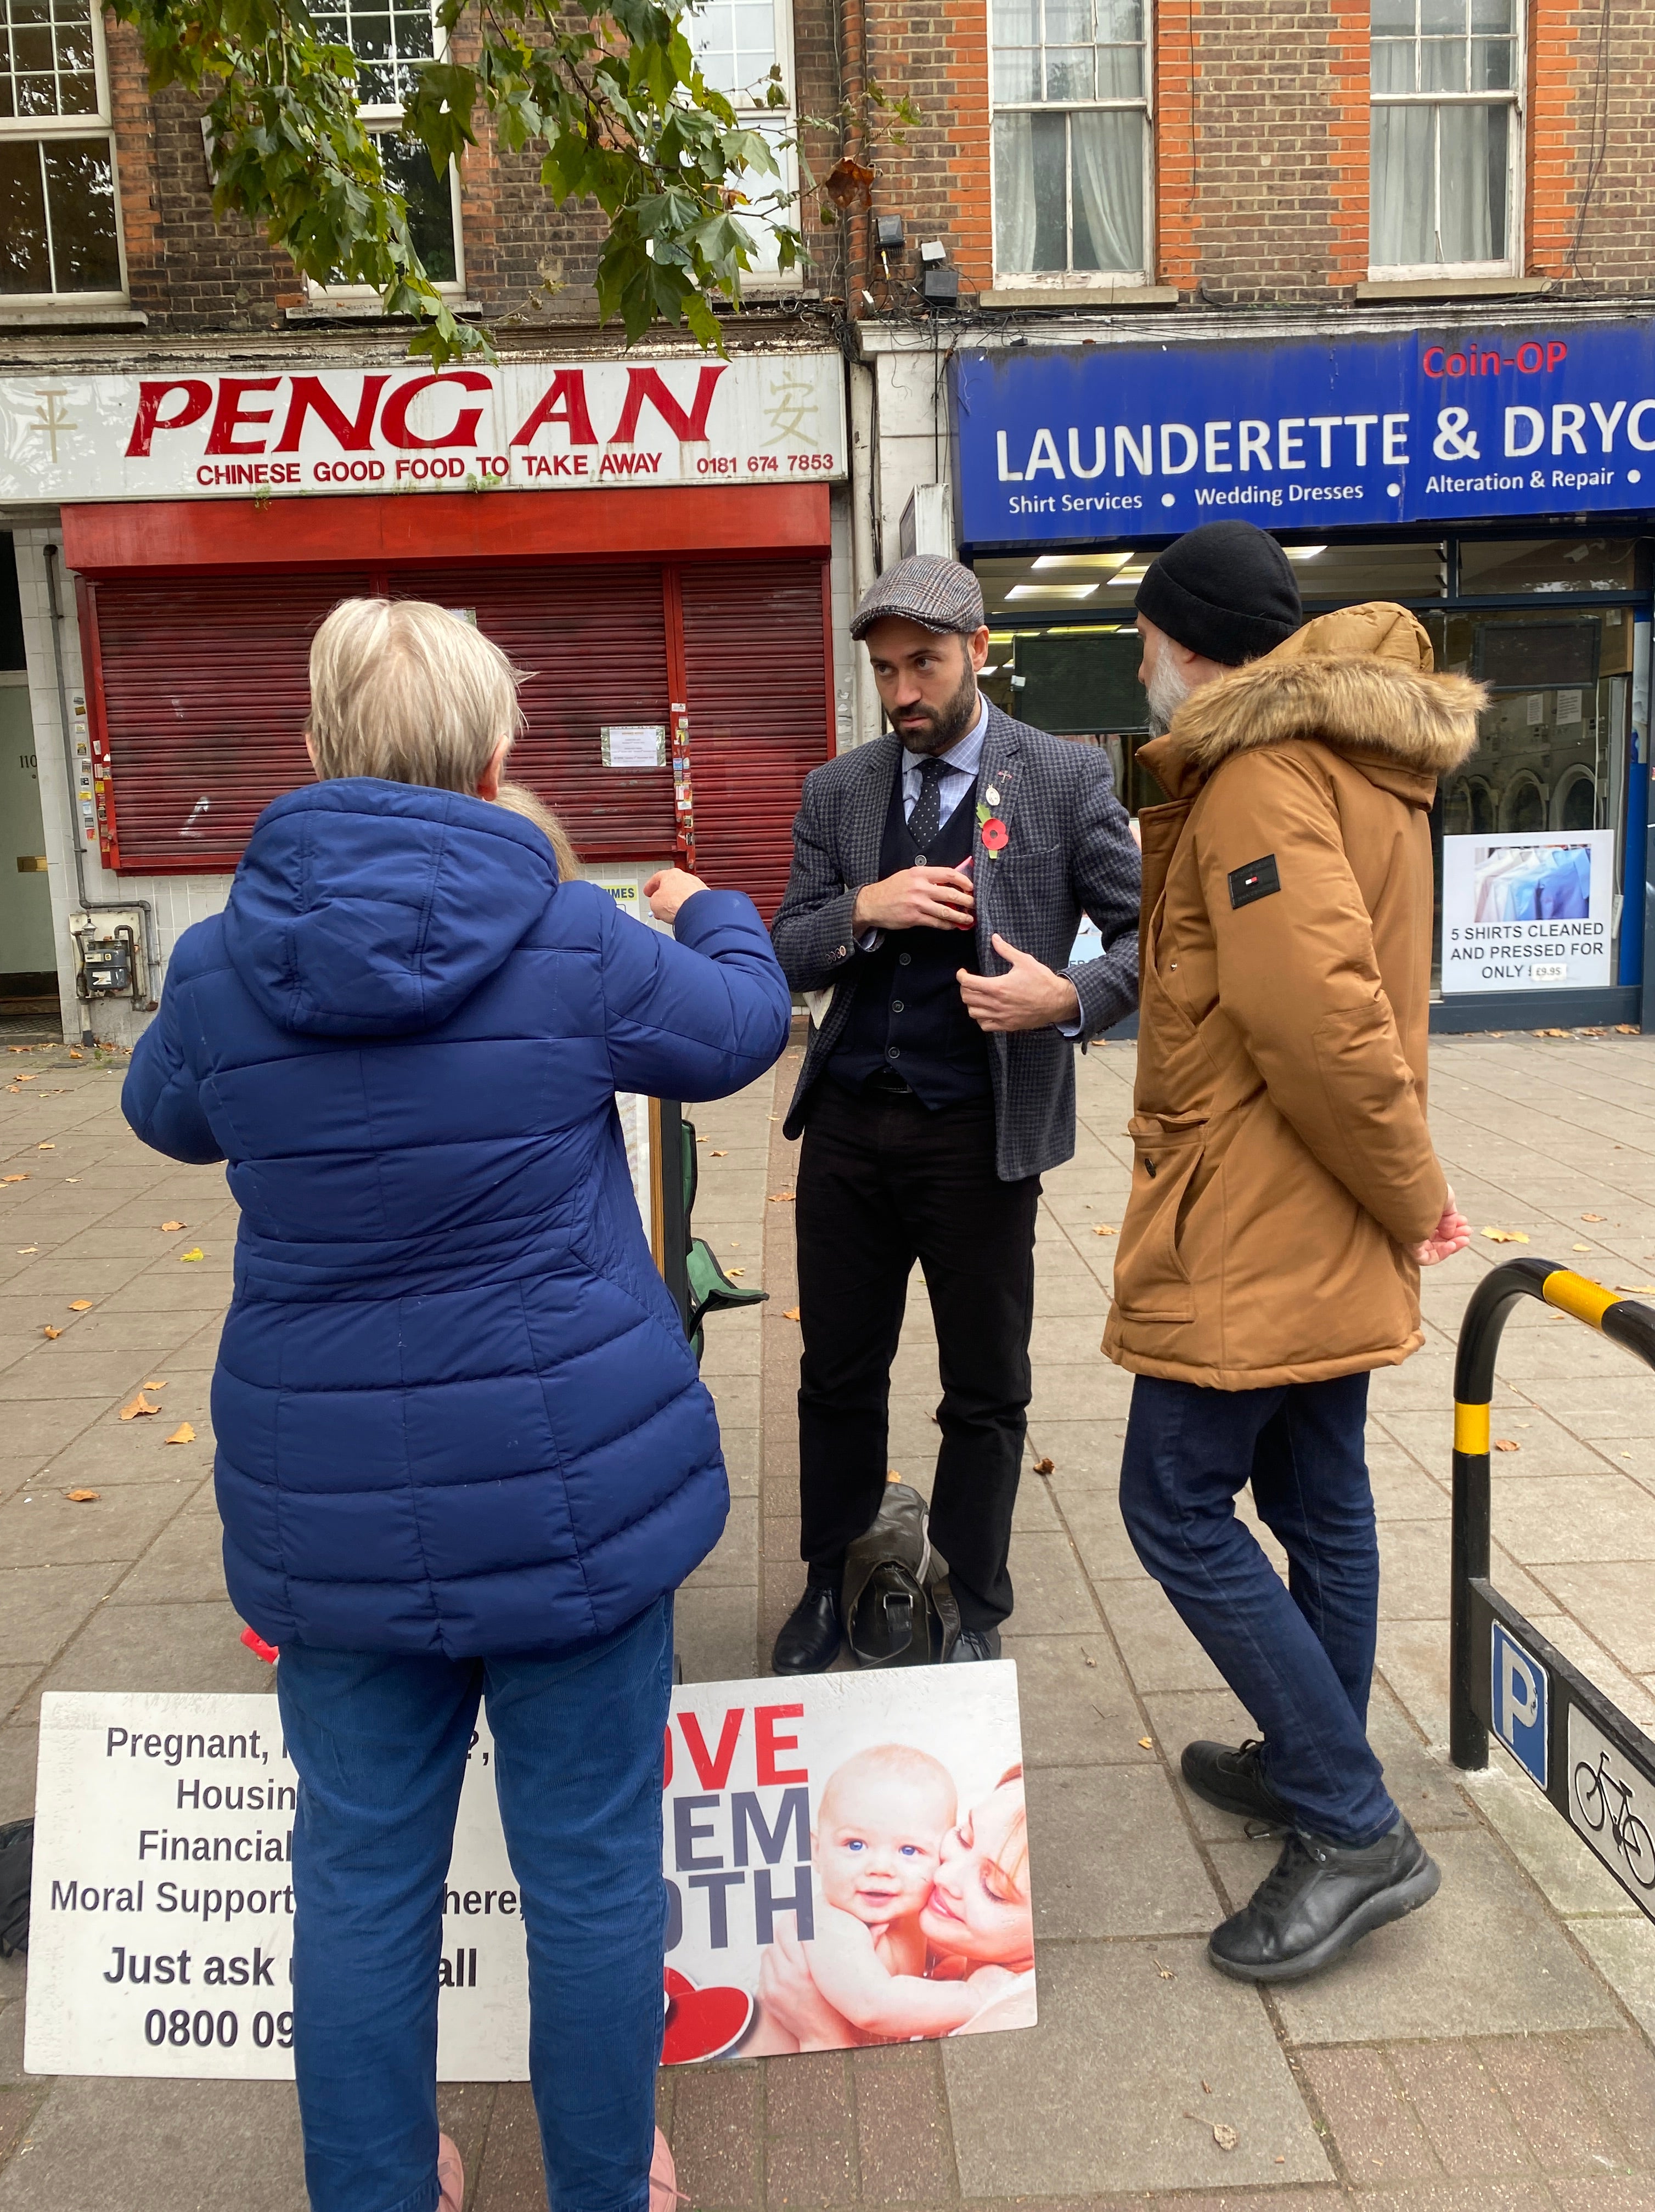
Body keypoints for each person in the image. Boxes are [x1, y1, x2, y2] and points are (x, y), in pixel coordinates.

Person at [121, 599, 792, 2212]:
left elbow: (164, 1117)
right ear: (502, 764)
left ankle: (375, 2183)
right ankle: (602, 2178)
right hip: (570, 1498)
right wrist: (714, 913)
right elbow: (740, 1033)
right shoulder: (572, 943)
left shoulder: (220, 968)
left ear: (311, 753)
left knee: (356, 1878)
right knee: (589, 1872)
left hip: (327, 1510)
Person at [1106, 523, 1476, 1985]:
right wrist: (1396, 1194)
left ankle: (1351, 1822)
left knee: (1169, 1500)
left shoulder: (1259, 775)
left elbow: (1320, 1020)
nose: (1139, 663)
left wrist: (1418, 1191)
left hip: (1262, 1209)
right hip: (1317, 1200)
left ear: (1185, 640)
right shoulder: (1352, 763)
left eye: (1142, 636)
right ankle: (1309, 1749)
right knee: (1318, 1489)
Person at [769, 555, 1141, 1672]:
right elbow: (785, 939)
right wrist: (862, 909)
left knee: (984, 1385)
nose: (901, 694)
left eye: (922, 665)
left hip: (981, 1136)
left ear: (980, 650)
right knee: (836, 1374)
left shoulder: (1065, 779)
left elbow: (1148, 942)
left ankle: (972, 1599)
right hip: (847, 1126)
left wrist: (1067, 996)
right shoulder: (839, 790)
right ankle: (834, 1580)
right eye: (884, 671)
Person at [756, 1765, 1035, 2046]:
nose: (942, 1876)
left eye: (993, 1889)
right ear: (816, 1850)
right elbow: (872, 2006)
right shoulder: (833, 1924)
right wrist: (972, 1996)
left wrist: (823, 2035)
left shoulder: (1014, 2016)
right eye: (964, 1837)